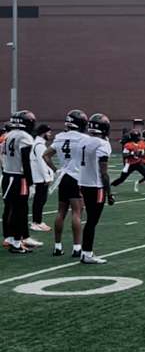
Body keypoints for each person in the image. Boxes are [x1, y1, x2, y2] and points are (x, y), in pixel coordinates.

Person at [43, 109, 89, 257]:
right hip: (76, 177)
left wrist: (57, 170)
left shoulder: (60, 137)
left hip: (63, 176)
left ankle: (57, 246)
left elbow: (46, 155)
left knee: (60, 212)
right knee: (77, 212)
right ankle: (77, 248)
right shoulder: (83, 138)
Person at [78, 113, 115, 264]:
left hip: (83, 183)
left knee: (89, 220)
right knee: (92, 221)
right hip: (96, 185)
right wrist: (109, 193)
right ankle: (87, 253)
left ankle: (84, 251)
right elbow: (103, 172)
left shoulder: (84, 141)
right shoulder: (103, 144)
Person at [2, 110, 40, 253]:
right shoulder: (25, 137)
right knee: (20, 210)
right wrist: (31, 183)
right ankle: (17, 242)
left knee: (11, 208)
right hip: (18, 177)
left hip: (7, 174)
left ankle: (12, 238)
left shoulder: (8, 135)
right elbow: (25, 162)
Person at [111, 129, 145, 196]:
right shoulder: (128, 145)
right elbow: (125, 154)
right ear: (133, 137)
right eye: (137, 136)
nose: (139, 138)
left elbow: (144, 152)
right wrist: (132, 153)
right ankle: (109, 187)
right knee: (122, 178)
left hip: (138, 163)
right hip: (130, 164)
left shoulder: (141, 144)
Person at [30, 124, 54, 233]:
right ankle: (36, 222)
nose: (50, 135)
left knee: (40, 200)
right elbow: (41, 163)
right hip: (40, 178)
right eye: (48, 132)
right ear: (44, 133)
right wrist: (47, 177)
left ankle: (37, 221)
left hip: (40, 177)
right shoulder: (39, 145)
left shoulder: (39, 143)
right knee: (39, 200)